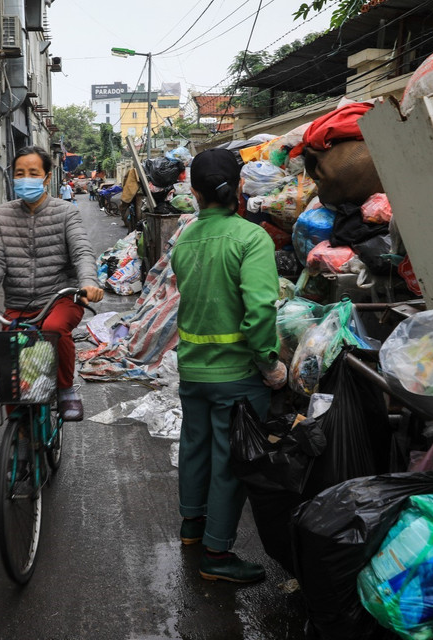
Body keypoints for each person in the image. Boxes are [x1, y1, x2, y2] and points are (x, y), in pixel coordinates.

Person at [170, 148, 287, 584]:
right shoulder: (250, 238)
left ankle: (192, 528)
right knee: (229, 463)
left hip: (193, 371)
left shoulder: (185, 240)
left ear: (195, 193)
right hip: (237, 375)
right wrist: (270, 364)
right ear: (237, 187)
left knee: (194, 449)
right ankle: (217, 555)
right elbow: (259, 311)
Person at [0, 146, 104, 420]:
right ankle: (19, 428)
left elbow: (81, 251)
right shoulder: (2, 215)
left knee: (53, 329)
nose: (25, 179)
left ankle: (67, 389)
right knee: (8, 356)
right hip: (18, 302)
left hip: (61, 300)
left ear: (46, 177)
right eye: (20, 173)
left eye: (33, 173)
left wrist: (89, 283)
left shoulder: (66, 212)